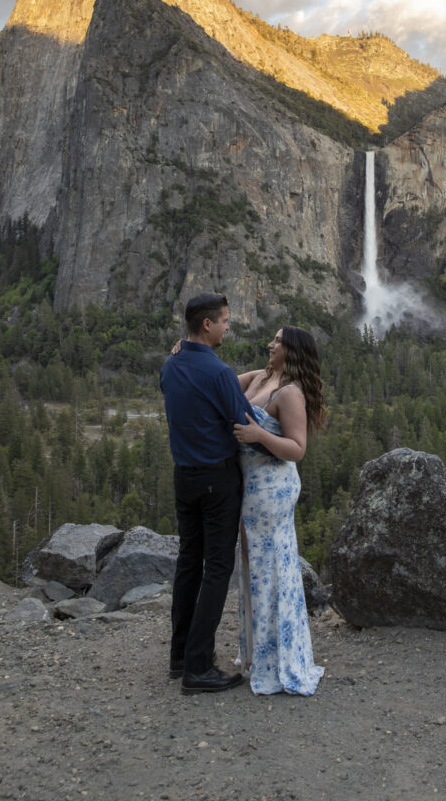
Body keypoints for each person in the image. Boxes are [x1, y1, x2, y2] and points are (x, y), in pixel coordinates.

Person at [159, 292, 256, 695]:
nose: (228, 327)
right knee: (217, 568)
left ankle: (180, 656)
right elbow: (245, 420)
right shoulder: (218, 373)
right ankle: (199, 667)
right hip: (218, 480)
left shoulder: (170, 365)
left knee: (189, 563)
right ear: (207, 324)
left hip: (184, 477)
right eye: (225, 321)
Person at [233, 325, 326, 695]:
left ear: (292, 350)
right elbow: (220, 381)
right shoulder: (261, 377)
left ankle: (278, 662)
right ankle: (262, 656)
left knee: (270, 567)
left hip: (272, 487)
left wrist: (260, 435)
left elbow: (297, 448)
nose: (270, 344)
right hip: (250, 485)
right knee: (255, 567)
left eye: (277, 341)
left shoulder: (289, 393)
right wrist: (187, 348)